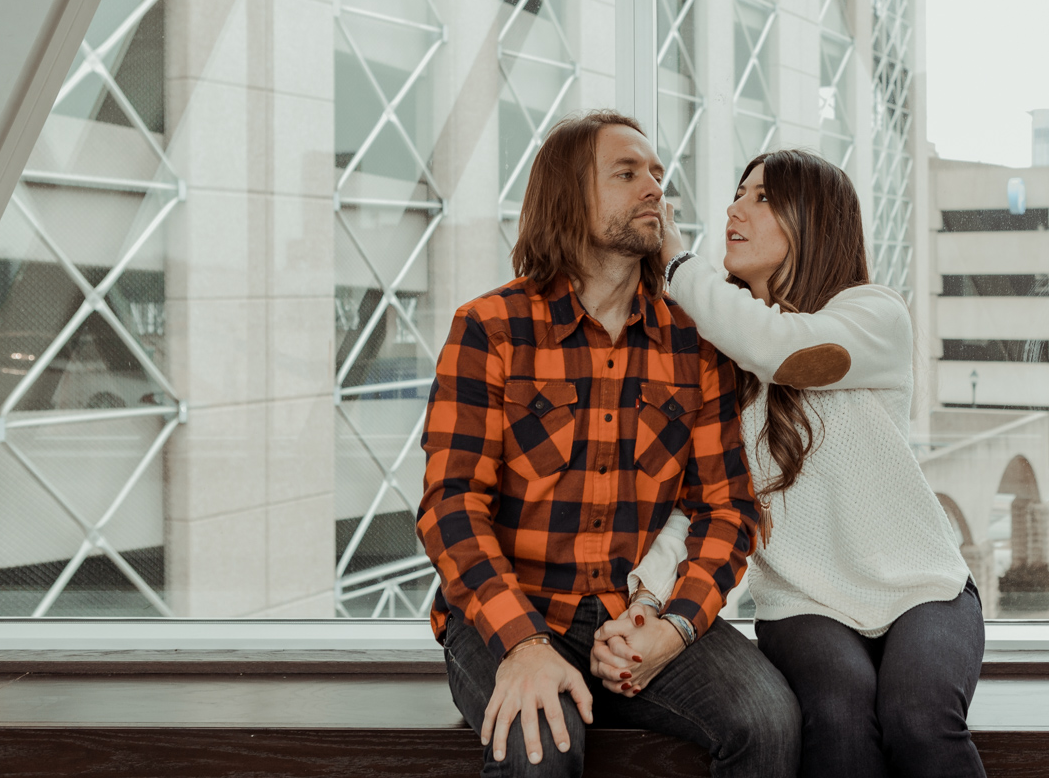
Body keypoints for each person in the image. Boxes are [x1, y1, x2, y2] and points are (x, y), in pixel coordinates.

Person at [416, 112, 800, 778]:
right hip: (510, 611)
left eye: (656, 172)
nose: (655, 186)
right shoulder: (490, 329)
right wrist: (524, 643)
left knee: (769, 720)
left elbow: (726, 509)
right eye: (627, 173)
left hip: (637, 614)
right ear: (569, 196)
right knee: (540, 742)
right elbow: (452, 507)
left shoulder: (694, 341)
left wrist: (673, 624)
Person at [592, 149, 987, 778]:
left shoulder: (872, 315)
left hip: (923, 588)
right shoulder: (717, 360)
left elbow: (786, 353)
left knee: (919, 718)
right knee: (836, 717)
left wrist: (680, 266)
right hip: (803, 601)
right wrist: (647, 596)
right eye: (737, 193)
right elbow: (702, 508)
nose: (734, 208)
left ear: (815, 220)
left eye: (762, 197)